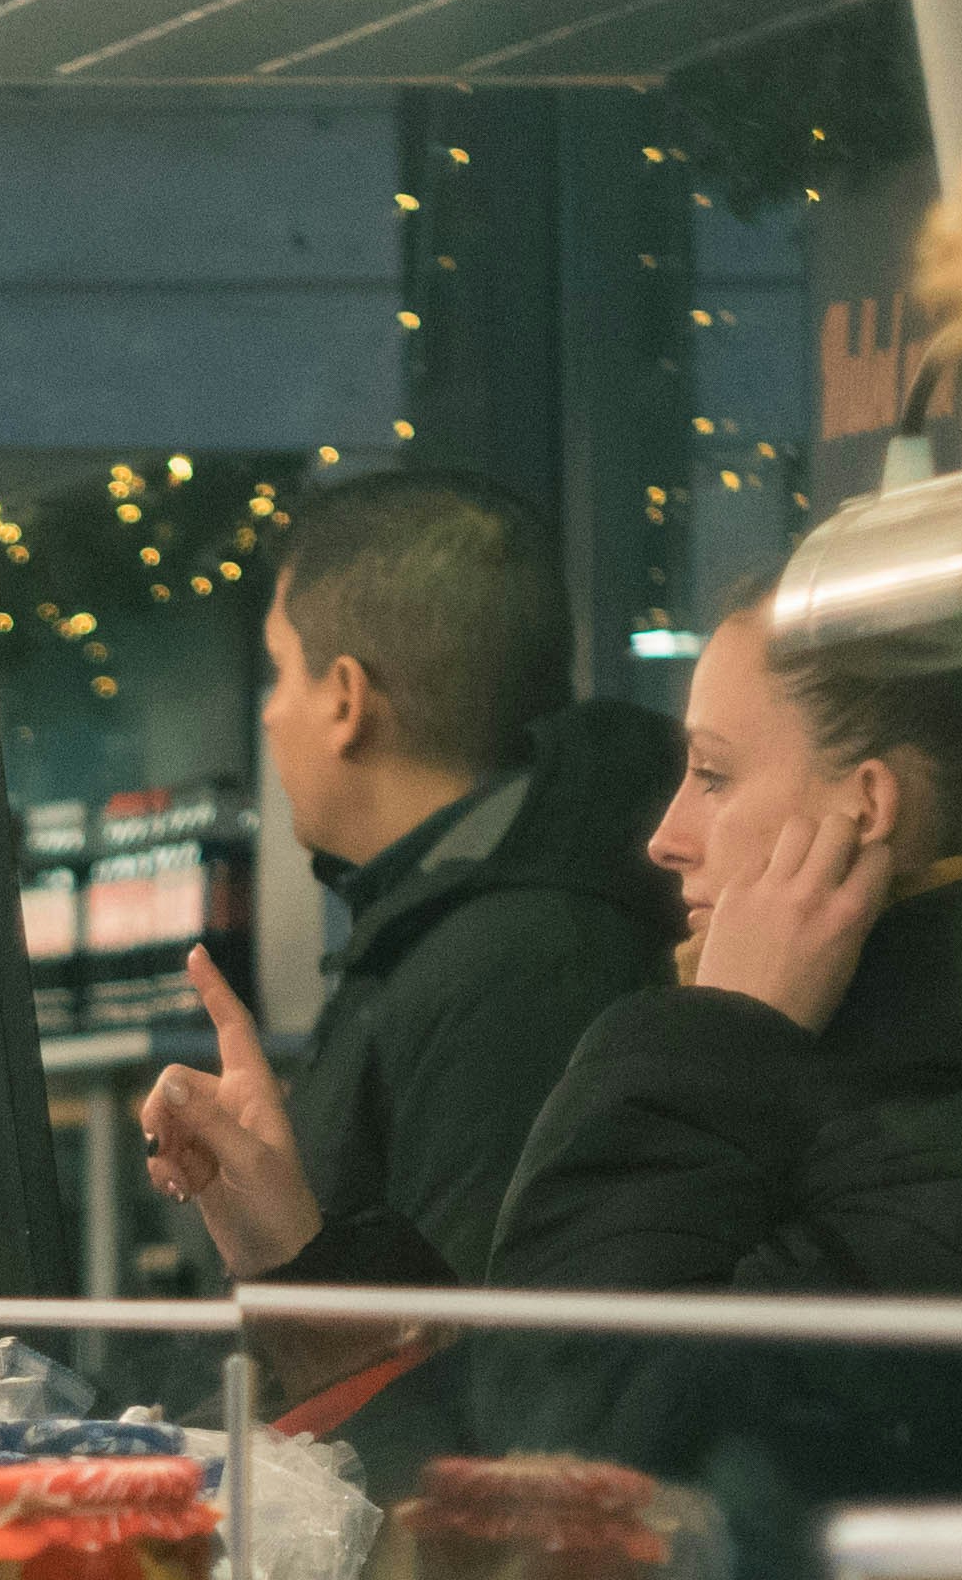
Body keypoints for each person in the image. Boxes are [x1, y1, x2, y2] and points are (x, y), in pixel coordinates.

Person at [174, 566, 962, 1580]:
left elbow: (568, 1477)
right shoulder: (896, 1086)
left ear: (865, 814)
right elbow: (539, 1415)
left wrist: (713, 1035)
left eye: (712, 777)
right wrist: (307, 1268)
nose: (664, 835)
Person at [137, 469, 682, 1283]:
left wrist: (290, 1255)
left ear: (348, 700)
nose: (268, 710)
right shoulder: (442, 931)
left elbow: (463, 1379)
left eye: (282, 670)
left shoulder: (519, 968)